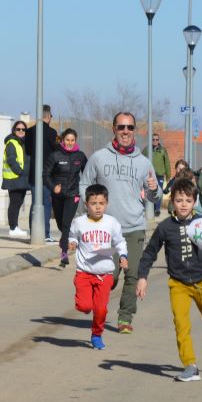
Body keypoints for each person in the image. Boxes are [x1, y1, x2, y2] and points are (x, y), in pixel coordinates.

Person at [136, 176, 202, 382]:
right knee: (181, 324)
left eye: (187, 200)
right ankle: (190, 366)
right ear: (172, 202)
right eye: (179, 200)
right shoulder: (165, 227)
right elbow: (149, 253)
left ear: (194, 202)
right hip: (178, 284)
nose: (183, 204)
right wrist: (142, 277)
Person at [80, 113, 158, 334]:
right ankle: (100, 301)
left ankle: (125, 317)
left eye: (130, 127)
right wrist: (86, 212)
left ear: (135, 130)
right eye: (122, 127)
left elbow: (155, 197)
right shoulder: (99, 157)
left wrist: (154, 189)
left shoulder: (144, 162)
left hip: (133, 227)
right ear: (113, 128)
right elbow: (84, 183)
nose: (126, 131)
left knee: (132, 274)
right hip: (106, 228)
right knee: (108, 276)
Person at [67, 184, 128, 350]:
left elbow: (120, 241)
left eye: (101, 203)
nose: (98, 207)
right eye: (94, 203)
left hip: (105, 273)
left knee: (101, 310)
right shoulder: (79, 222)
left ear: (106, 204)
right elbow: (73, 236)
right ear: (86, 205)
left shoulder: (111, 223)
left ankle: (96, 334)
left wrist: (123, 256)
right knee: (84, 306)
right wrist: (72, 243)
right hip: (84, 272)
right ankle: (87, 305)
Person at [46, 128, 87, 267]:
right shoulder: (55, 155)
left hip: (73, 194)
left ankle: (64, 253)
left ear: (75, 141)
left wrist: (85, 191)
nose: (70, 143)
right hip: (58, 195)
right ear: (63, 140)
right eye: (67, 140)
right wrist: (53, 187)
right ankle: (69, 238)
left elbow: (87, 174)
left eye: (72, 140)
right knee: (60, 224)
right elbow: (46, 174)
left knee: (66, 222)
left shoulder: (80, 156)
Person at [1, 120, 30, 239]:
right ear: (14, 130)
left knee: (18, 203)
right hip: (15, 178)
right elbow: (11, 159)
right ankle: (13, 228)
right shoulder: (12, 143)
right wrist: (20, 171)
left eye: (23, 129)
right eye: (18, 129)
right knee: (14, 203)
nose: (21, 131)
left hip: (21, 179)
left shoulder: (22, 143)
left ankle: (15, 226)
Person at [36, 106, 60, 241]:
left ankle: (34, 232)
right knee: (45, 203)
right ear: (49, 116)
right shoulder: (51, 133)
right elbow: (56, 151)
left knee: (36, 203)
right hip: (47, 174)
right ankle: (45, 234)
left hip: (33, 174)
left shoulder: (31, 131)